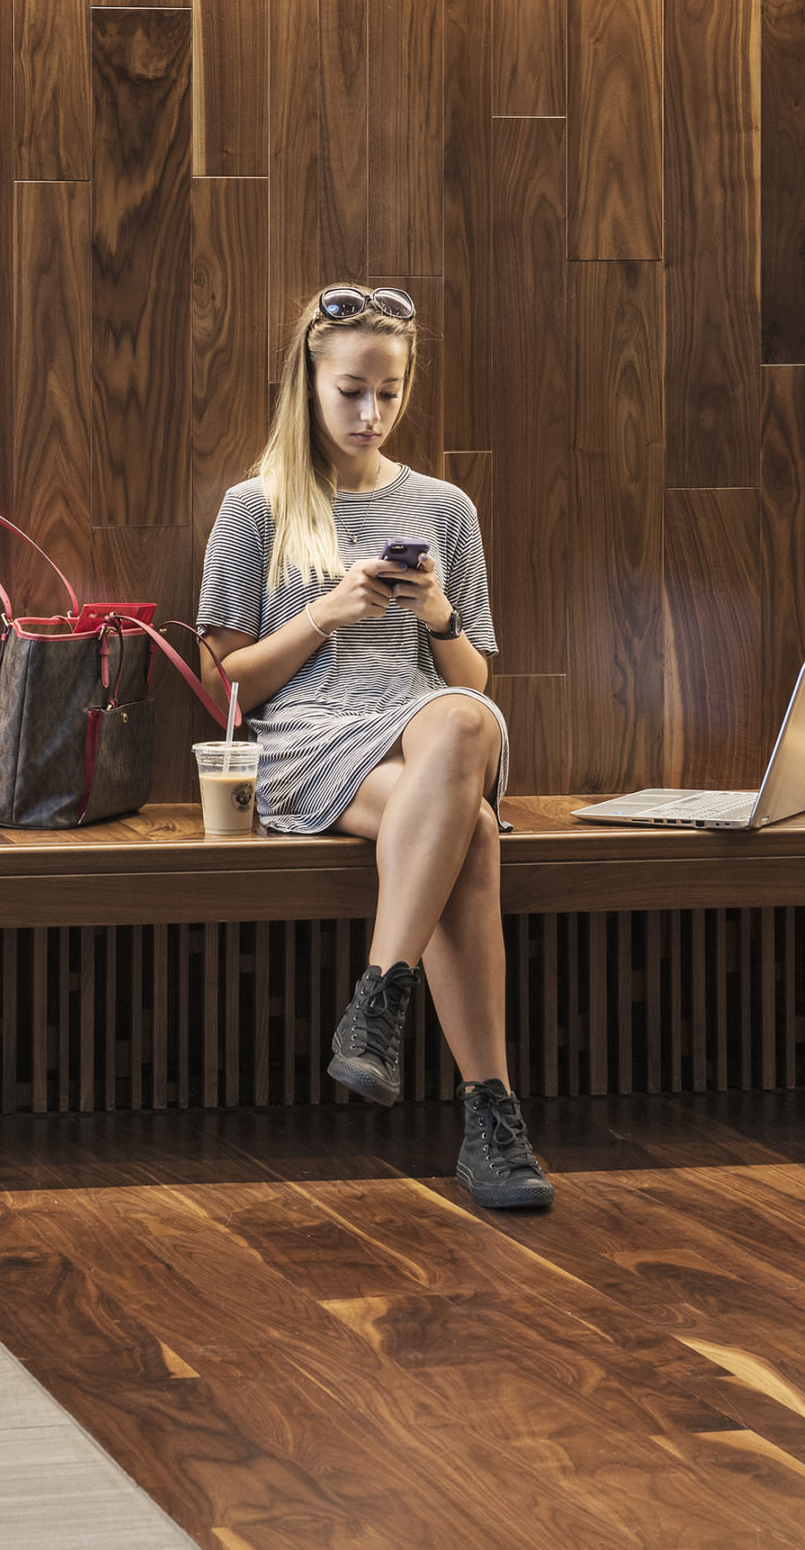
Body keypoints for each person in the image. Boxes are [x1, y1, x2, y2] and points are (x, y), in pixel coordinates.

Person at [195, 283, 553, 1212]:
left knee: (464, 725)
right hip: (306, 742)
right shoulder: (256, 507)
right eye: (352, 390)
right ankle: (490, 1116)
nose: (371, 413)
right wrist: (324, 614)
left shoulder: (445, 506)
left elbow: (471, 680)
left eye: (389, 394)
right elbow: (226, 687)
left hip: (421, 729)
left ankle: (378, 1003)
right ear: (309, 382)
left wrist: (436, 615)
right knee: (469, 829)